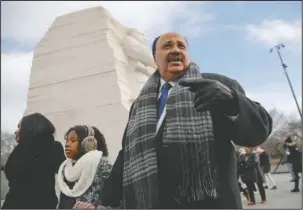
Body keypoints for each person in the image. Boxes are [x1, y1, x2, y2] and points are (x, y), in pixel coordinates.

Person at [94, 32, 273, 209]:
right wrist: (102, 201)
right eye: (167, 46)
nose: (175, 50)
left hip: (212, 203)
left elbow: (257, 134)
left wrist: (232, 101)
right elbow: (126, 155)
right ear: (155, 58)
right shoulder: (139, 105)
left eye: (181, 46)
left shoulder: (216, 84)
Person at [2, 113, 66, 209]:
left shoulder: (53, 148)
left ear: (29, 128)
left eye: (19, 127)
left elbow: (66, 176)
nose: (16, 131)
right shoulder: (19, 150)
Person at [57, 125, 112, 209]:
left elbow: (116, 203)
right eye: (67, 140)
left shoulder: (104, 165)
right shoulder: (66, 169)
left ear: (88, 144)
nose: (67, 144)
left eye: (73, 140)